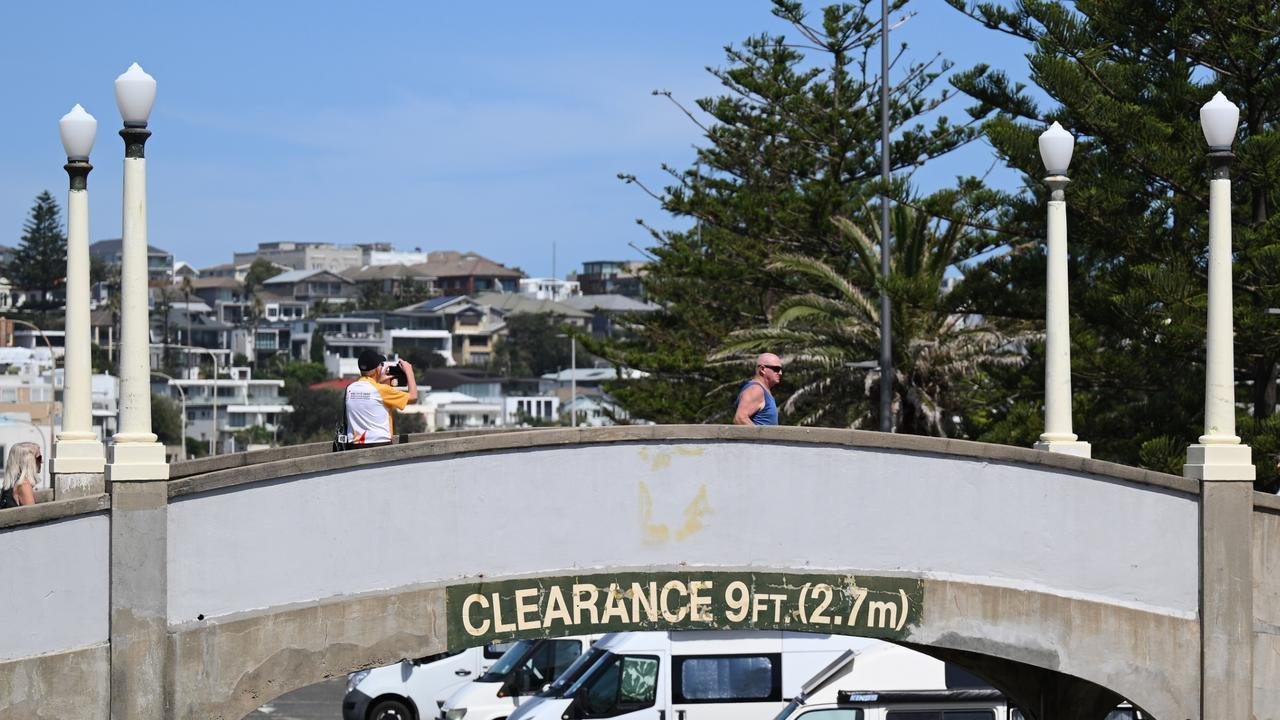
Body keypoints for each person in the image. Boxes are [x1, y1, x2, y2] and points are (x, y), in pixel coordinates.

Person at [344, 350, 418, 448]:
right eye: (381, 365)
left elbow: (370, 399)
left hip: (354, 446)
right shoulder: (381, 390)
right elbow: (413, 397)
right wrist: (409, 371)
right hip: (380, 445)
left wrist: (379, 382)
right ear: (377, 370)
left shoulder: (350, 388)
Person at [733, 353, 782, 426]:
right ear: (762, 369)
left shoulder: (764, 391)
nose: (780, 373)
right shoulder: (756, 390)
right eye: (776, 369)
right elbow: (740, 419)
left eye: (781, 369)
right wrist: (761, 437)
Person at [1, 442, 40, 508]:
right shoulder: (23, 484)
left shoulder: (12, 482)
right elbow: (32, 514)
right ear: (28, 461)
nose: (41, 461)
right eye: (39, 458)